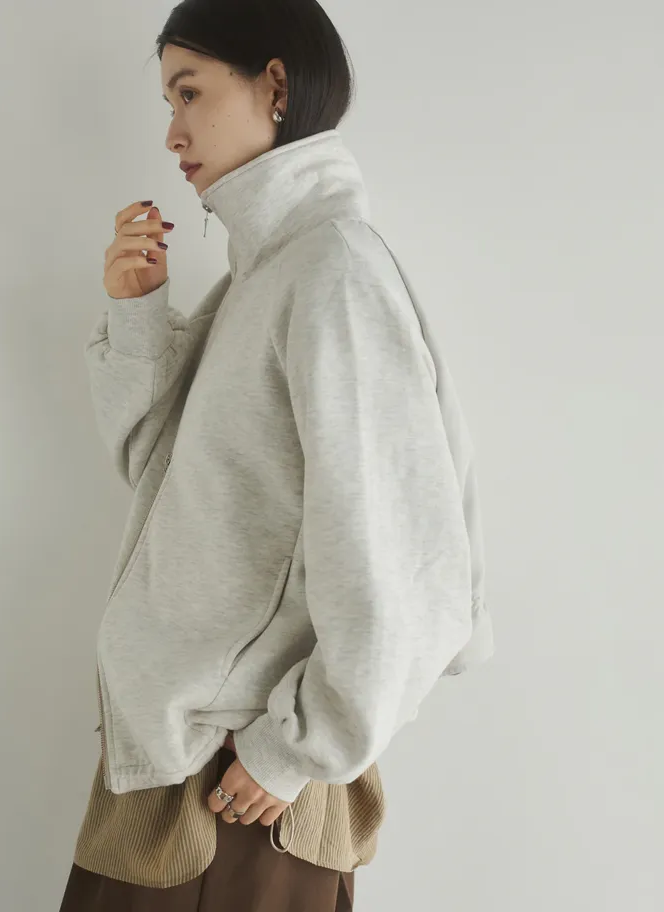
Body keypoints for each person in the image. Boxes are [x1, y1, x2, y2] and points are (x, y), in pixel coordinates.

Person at [59, 0, 493, 909]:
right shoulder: (261, 274)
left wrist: (298, 748)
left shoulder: (332, 272)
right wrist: (138, 315)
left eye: (189, 93)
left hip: (236, 784)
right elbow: (159, 482)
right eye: (168, 101)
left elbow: (405, 558)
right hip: (182, 761)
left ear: (277, 85)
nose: (172, 132)